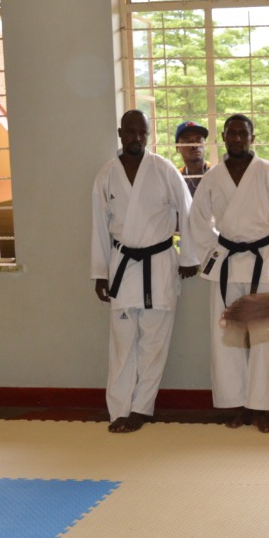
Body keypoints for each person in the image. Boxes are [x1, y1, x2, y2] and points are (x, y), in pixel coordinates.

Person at [91, 109, 200, 433]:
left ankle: (140, 409)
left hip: (160, 263)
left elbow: (188, 212)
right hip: (122, 265)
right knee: (123, 344)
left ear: (148, 135)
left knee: (154, 344)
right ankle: (119, 408)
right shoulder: (106, 175)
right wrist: (100, 272)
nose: (136, 138)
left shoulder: (164, 170)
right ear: (120, 133)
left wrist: (188, 257)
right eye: (131, 132)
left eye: (142, 133)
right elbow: (98, 226)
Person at [189, 114, 269, 433]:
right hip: (228, 261)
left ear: (252, 137)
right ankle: (235, 404)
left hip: (263, 259)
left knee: (266, 335)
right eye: (231, 133)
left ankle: (261, 407)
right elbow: (197, 219)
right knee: (227, 333)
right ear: (223, 137)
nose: (236, 138)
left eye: (242, 133)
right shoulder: (213, 176)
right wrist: (212, 252)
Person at [174, 120, 211, 196]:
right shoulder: (176, 178)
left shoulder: (215, 172)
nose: (194, 145)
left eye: (198, 139)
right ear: (177, 148)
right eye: (187, 141)